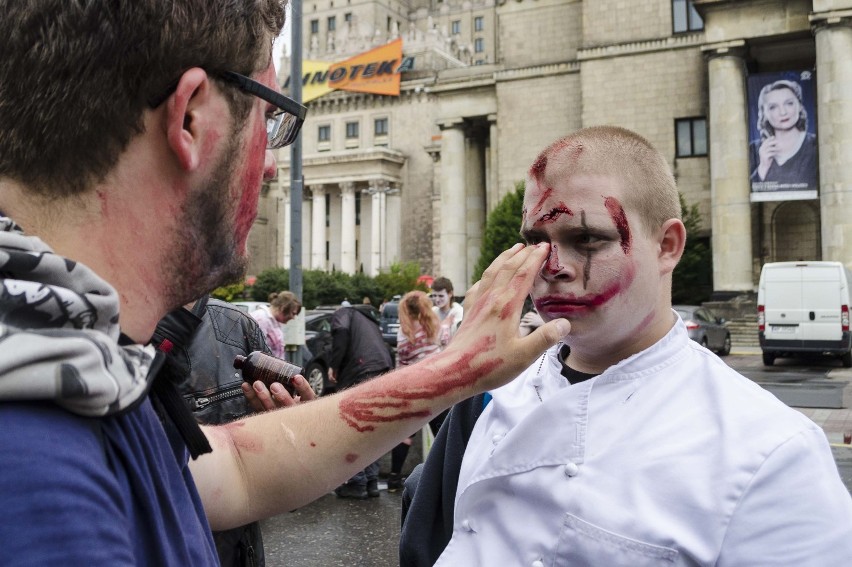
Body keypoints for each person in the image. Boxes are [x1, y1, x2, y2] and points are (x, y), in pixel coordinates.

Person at [0, 2, 569, 564]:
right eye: (269, 118)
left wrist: (454, 371)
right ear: (192, 119)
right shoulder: (47, 488)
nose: (273, 165)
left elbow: (238, 468)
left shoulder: (67, 360)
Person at [399, 126, 852, 566]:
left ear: (667, 247)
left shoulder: (771, 453)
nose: (551, 266)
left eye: (587, 238)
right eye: (535, 241)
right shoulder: (491, 396)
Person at [153, 295, 316, 567]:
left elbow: (283, 484)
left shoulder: (234, 326)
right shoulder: (88, 337)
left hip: (233, 551)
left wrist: (293, 436)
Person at [328, 305, 394, 499]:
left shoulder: (342, 314)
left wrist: (334, 366)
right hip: (380, 369)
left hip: (361, 371)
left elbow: (341, 337)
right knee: (371, 428)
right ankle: (372, 481)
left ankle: (356, 482)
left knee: (354, 428)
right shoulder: (368, 319)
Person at [390, 290, 443, 491]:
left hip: (410, 387)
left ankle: (394, 479)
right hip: (435, 386)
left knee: (405, 435)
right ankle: (446, 475)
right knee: (441, 432)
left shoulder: (404, 331)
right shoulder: (432, 327)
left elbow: (400, 362)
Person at [749, 79, 818, 189]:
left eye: (789, 103)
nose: (783, 112)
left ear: (799, 106)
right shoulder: (752, 150)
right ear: (763, 113)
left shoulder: (817, 145)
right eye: (773, 107)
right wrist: (763, 167)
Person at [250, 291, 301, 358]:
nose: (293, 318)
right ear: (283, 308)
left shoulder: (275, 321)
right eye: (293, 313)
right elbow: (258, 352)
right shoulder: (262, 319)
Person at [430, 277, 464, 343]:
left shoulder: (459, 312)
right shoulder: (432, 311)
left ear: (450, 294)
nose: (437, 299)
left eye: (441, 296)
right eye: (434, 295)